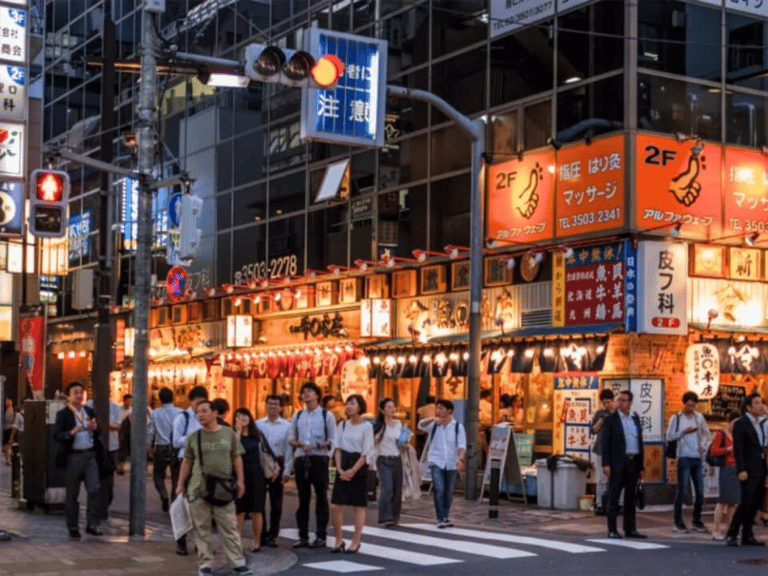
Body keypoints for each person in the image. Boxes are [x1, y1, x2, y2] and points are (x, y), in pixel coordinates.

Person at [175, 400, 252, 576]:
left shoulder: (228, 434)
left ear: (215, 413)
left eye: (204, 411)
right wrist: (180, 484)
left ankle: (238, 563)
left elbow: (237, 458)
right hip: (198, 489)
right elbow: (187, 462)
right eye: (198, 413)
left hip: (223, 488)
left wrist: (241, 481)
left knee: (229, 527)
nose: (200, 415)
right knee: (202, 529)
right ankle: (205, 565)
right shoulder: (194, 437)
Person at [288, 382, 336, 549]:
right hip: (302, 458)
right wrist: (299, 444)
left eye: (310, 391)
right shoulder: (297, 415)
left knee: (321, 497)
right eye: (304, 392)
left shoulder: (326, 415)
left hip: (319, 458)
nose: (306, 394)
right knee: (303, 498)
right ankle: (303, 536)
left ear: (317, 395)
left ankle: (321, 535)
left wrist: (318, 446)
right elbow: (290, 438)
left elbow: (333, 439)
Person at [54, 381, 102, 539]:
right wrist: (71, 432)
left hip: (90, 454)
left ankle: (92, 524)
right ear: (68, 396)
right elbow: (57, 435)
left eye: (81, 392)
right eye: (75, 392)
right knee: (72, 494)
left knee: (94, 489)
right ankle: (73, 526)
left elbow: (98, 431)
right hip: (73, 455)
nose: (79, 395)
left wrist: (96, 428)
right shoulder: (63, 414)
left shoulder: (88, 410)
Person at [330, 395, 374, 553]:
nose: (348, 406)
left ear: (360, 407)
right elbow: (337, 448)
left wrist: (353, 471)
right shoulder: (342, 425)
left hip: (358, 464)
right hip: (343, 462)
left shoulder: (367, 426)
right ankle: (338, 539)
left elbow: (366, 451)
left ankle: (356, 541)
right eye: (347, 403)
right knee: (335, 504)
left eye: (352, 403)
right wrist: (340, 469)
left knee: (358, 506)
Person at [601, 390, 646, 539]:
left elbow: (639, 441)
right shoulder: (611, 419)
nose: (620, 403)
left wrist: (641, 466)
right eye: (618, 400)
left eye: (623, 400)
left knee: (630, 497)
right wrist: (606, 463)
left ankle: (630, 528)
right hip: (617, 463)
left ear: (630, 402)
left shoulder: (635, 418)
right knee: (614, 496)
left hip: (633, 461)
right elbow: (605, 442)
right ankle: (612, 529)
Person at [666, 391, 711, 534]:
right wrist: (683, 432)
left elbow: (706, 434)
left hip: (697, 457)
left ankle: (696, 520)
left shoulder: (699, 417)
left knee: (700, 492)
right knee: (682, 490)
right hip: (684, 456)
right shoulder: (676, 418)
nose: (690, 408)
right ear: (683, 404)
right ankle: (677, 521)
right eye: (688, 405)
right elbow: (669, 437)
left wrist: (703, 446)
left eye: (693, 405)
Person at [172, 385, 209, 556]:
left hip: (204, 464)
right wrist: (194, 439)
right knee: (182, 502)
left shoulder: (207, 418)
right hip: (185, 462)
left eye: (203, 403)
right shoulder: (183, 418)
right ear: (191, 402)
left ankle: (200, 542)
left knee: (201, 504)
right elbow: (176, 441)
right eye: (198, 403)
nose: (200, 407)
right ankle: (181, 541)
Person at [725, 393, 766, 547]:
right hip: (748, 468)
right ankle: (732, 533)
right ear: (748, 407)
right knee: (745, 502)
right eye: (756, 403)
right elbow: (738, 448)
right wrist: (741, 468)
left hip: (760, 466)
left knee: (756, 502)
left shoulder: (761, 422)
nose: (760, 406)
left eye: (761, 403)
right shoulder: (742, 423)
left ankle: (747, 535)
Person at [418, 399, 466, 528]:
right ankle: (440, 518)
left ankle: (445, 516)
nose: (438, 411)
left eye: (441, 408)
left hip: (451, 462)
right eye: (437, 408)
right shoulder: (433, 425)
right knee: (439, 488)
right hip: (436, 461)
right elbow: (420, 425)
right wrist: (432, 419)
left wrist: (460, 459)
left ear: (449, 411)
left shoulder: (457, 427)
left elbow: (462, 445)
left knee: (449, 492)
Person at [256, 395, 292, 548]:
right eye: (269, 404)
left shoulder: (287, 426)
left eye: (276, 404)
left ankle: (273, 534)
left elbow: (289, 450)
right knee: (259, 501)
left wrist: (287, 471)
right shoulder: (257, 424)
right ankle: (261, 533)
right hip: (260, 464)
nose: (272, 407)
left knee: (276, 502)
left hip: (278, 463)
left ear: (281, 408)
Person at [234, 408, 268, 554]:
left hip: (256, 473)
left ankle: (256, 541)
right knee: (239, 511)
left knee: (257, 509)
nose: (242, 418)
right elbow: (233, 450)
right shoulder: (232, 434)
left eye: (245, 415)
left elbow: (267, 451)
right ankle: (237, 543)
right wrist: (237, 431)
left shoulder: (257, 434)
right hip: (238, 474)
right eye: (239, 416)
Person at [373, 398, 407, 527]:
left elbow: (403, 445)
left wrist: (406, 443)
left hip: (397, 458)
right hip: (383, 459)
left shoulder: (400, 424)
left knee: (397, 489)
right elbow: (373, 443)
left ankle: (394, 517)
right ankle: (385, 516)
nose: (392, 409)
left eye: (393, 406)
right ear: (382, 410)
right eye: (388, 407)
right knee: (387, 489)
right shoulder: (379, 426)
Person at [148, 387, 182, 512]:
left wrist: (148, 446)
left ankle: (163, 494)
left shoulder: (155, 413)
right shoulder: (180, 412)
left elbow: (151, 431)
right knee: (176, 477)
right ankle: (174, 501)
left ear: (160, 399)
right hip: (175, 447)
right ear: (173, 398)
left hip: (161, 446)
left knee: (158, 475)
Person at [710, 411, 741, 541]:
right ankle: (716, 529)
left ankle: (730, 529)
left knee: (733, 503)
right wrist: (727, 449)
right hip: (726, 469)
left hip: (737, 469)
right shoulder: (721, 434)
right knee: (723, 501)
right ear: (729, 422)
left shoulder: (738, 435)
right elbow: (714, 451)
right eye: (735, 423)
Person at [590, 389, 615, 516]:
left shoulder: (618, 413)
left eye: (608, 400)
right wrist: (600, 421)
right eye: (604, 400)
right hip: (600, 449)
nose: (606, 402)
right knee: (601, 479)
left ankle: (616, 504)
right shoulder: (600, 413)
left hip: (615, 451)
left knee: (616, 478)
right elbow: (593, 430)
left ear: (613, 400)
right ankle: (600, 505)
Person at [3, 398, 16, 465]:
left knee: (11, 444)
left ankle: (10, 458)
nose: (7, 403)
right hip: (5, 428)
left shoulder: (14, 410)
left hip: (12, 428)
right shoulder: (4, 410)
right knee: (6, 445)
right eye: (6, 402)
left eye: (9, 402)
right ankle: (7, 459)